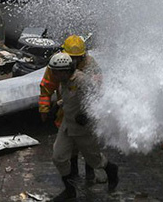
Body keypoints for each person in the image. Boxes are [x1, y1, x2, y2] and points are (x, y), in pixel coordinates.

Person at [46, 52, 119, 201]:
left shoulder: (82, 80)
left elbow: (97, 99)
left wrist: (87, 114)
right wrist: (58, 105)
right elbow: (69, 98)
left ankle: (111, 169)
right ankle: (69, 191)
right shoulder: (64, 81)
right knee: (58, 157)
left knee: (94, 160)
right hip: (67, 125)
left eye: (55, 72)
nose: (53, 75)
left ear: (64, 71)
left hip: (83, 128)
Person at [39, 36, 100, 182]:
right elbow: (46, 87)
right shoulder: (57, 64)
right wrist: (45, 109)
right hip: (66, 109)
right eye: (71, 57)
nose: (74, 61)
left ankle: (90, 170)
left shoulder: (90, 64)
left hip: (85, 110)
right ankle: (73, 173)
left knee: (88, 144)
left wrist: (89, 112)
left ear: (83, 56)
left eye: (77, 58)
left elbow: (96, 90)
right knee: (68, 143)